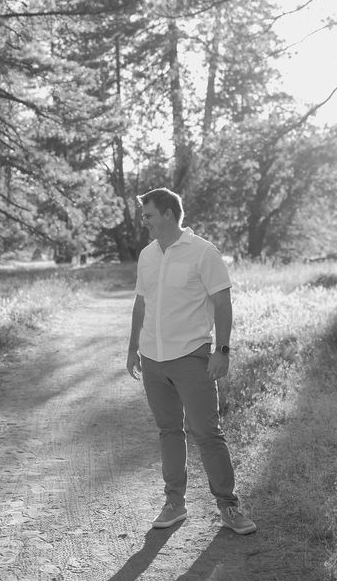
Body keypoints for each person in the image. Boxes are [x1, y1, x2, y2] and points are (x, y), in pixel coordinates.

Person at [126, 188, 256, 535]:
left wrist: (222, 351)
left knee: (207, 434)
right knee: (168, 431)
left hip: (191, 358)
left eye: (149, 215)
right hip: (152, 359)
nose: (145, 222)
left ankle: (229, 507)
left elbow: (223, 303)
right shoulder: (147, 255)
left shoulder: (203, 252)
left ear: (168, 214)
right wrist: (131, 348)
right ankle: (174, 503)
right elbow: (141, 304)